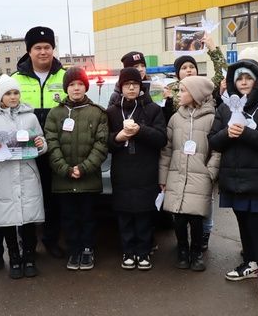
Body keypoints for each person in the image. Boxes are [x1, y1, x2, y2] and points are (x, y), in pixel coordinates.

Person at [208, 58, 258, 307]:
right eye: (239, 78)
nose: (243, 82)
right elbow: (213, 141)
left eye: (248, 78)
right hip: (233, 179)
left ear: (257, 81)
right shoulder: (224, 108)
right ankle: (251, 264)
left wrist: (247, 133)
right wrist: (227, 134)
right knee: (243, 223)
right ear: (232, 82)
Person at [0, 74, 47, 279]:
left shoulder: (31, 116)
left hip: (26, 172)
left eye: (16, 92)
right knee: (8, 220)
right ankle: (15, 258)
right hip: (3, 175)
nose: (13, 96)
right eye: (8, 93)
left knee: (28, 220)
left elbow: (41, 140)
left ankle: (29, 257)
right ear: (1, 96)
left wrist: (41, 145)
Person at [166, 33, 227, 251]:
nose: (189, 70)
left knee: (204, 203)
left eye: (192, 67)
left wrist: (213, 49)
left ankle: (203, 239)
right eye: (184, 68)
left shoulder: (205, 97)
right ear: (177, 74)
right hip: (180, 157)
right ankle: (183, 245)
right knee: (179, 207)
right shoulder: (171, 93)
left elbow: (222, 76)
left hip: (201, 157)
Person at [44, 67, 108, 270]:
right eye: (72, 84)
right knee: (69, 218)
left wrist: (83, 168)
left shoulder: (97, 113)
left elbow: (101, 144)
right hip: (63, 179)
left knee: (88, 217)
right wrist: (65, 168)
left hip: (88, 178)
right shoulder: (56, 113)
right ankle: (74, 251)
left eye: (80, 84)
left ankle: (88, 250)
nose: (76, 88)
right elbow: (51, 143)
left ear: (85, 87)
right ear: (66, 88)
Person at [12, 26, 66, 259]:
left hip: (57, 148)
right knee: (27, 196)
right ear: (29, 51)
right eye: (38, 48)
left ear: (53, 49)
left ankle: (51, 240)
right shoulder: (15, 79)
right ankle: (28, 244)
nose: (43, 52)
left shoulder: (66, 76)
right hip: (26, 150)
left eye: (47, 47)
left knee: (53, 197)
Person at [107, 67, 167, 270]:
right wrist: (118, 137)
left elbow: (161, 138)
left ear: (141, 86)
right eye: (126, 84)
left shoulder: (153, 109)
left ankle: (143, 252)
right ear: (121, 87)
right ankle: (128, 251)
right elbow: (104, 140)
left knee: (144, 215)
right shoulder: (113, 111)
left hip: (146, 170)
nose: (131, 87)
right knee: (124, 215)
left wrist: (140, 130)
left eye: (134, 84)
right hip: (122, 170)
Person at [159, 76, 220, 271]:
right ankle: (182, 251)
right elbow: (167, 149)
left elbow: (218, 150)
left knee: (196, 218)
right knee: (179, 218)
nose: (179, 95)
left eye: (183, 91)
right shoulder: (176, 118)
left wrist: (209, 172)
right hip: (177, 173)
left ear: (195, 94)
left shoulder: (212, 118)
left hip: (199, 175)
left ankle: (197, 253)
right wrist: (163, 177)